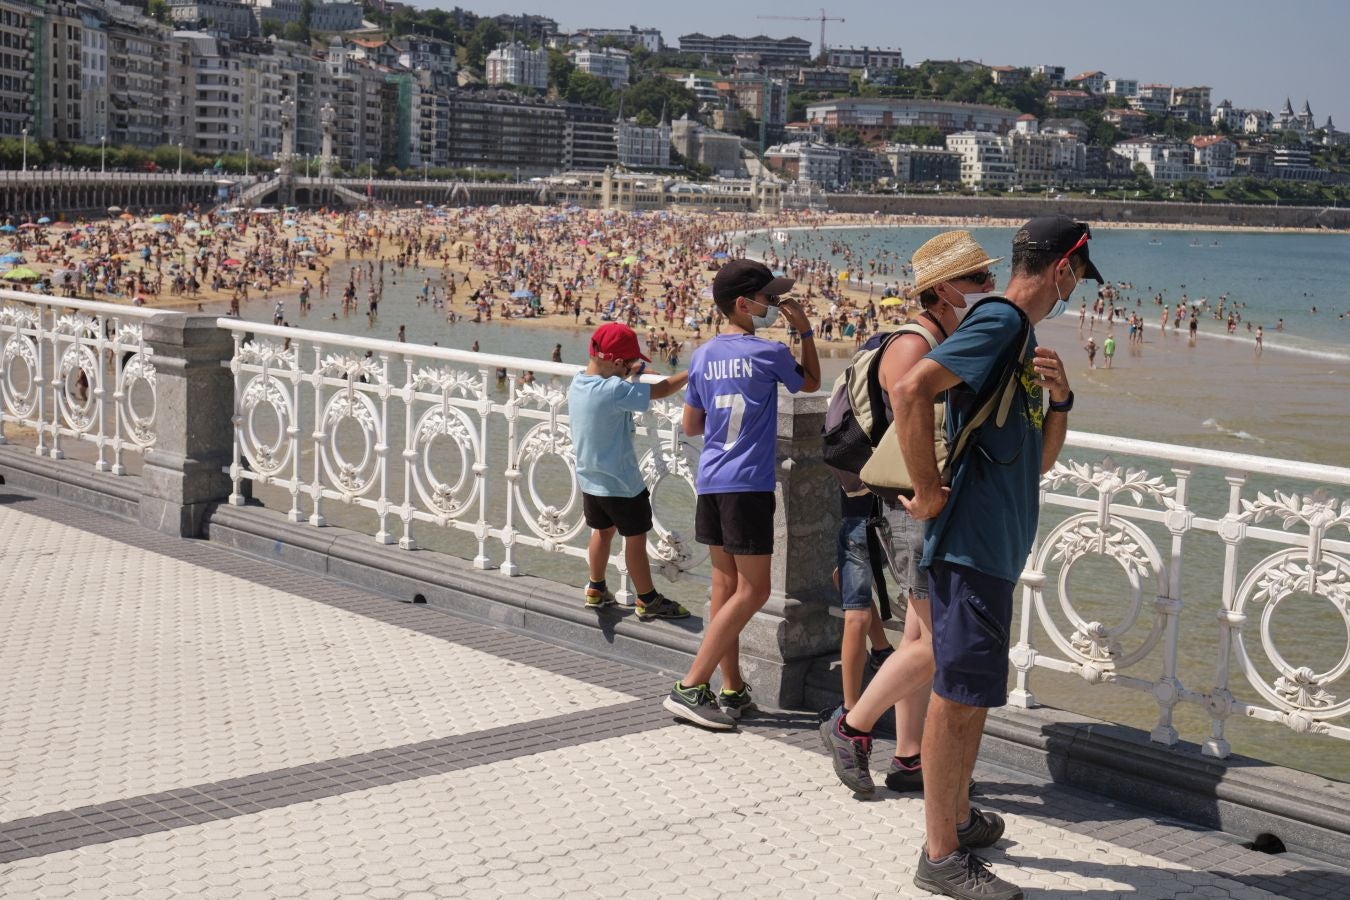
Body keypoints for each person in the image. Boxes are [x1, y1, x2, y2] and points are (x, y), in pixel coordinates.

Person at [898, 215, 1093, 900]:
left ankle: (954, 817)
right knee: (957, 698)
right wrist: (925, 491)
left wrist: (1062, 400)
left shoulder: (1020, 340)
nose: (1077, 290)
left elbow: (1035, 462)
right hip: (971, 543)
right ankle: (941, 855)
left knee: (972, 694)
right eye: (1078, 277)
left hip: (995, 543)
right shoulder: (1003, 323)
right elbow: (909, 389)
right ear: (1065, 267)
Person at [821, 231, 1000, 796]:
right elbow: (908, 407)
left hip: (920, 504)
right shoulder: (915, 342)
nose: (988, 287)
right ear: (944, 289)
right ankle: (852, 728)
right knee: (942, 641)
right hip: (910, 505)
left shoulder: (939, 335)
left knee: (917, 636)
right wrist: (928, 489)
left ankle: (908, 757)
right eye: (977, 280)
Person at [663, 259, 821, 729]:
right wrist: (805, 332)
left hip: (711, 479)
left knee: (725, 590)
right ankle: (691, 686)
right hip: (748, 483)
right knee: (756, 589)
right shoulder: (766, 352)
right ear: (743, 303)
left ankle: (730, 690)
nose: (774, 306)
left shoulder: (704, 354)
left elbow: (692, 424)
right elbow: (809, 383)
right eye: (769, 299)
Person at [569, 323, 691, 621]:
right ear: (620, 363)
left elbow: (615, 377)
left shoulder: (577, 383)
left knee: (602, 532)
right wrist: (692, 373)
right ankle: (647, 599)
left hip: (590, 480)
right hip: (622, 484)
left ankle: (595, 588)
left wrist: (629, 371)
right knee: (635, 538)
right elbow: (661, 389)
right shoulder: (614, 389)